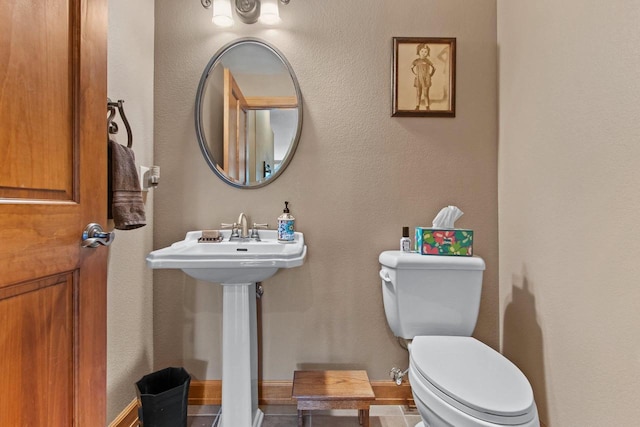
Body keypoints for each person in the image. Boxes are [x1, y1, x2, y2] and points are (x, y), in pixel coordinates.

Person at [411, 43, 436, 110]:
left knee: (425, 94)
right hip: (418, 79)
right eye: (422, 51)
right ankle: (417, 106)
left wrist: (430, 75)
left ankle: (427, 107)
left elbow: (434, 68)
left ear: (428, 53)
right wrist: (416, 74)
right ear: (418, 51)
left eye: (425, 51)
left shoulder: (428, 61)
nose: (423, 53)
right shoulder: (416, 61)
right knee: (418, 93)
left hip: (426, 79)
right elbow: (411, 68)